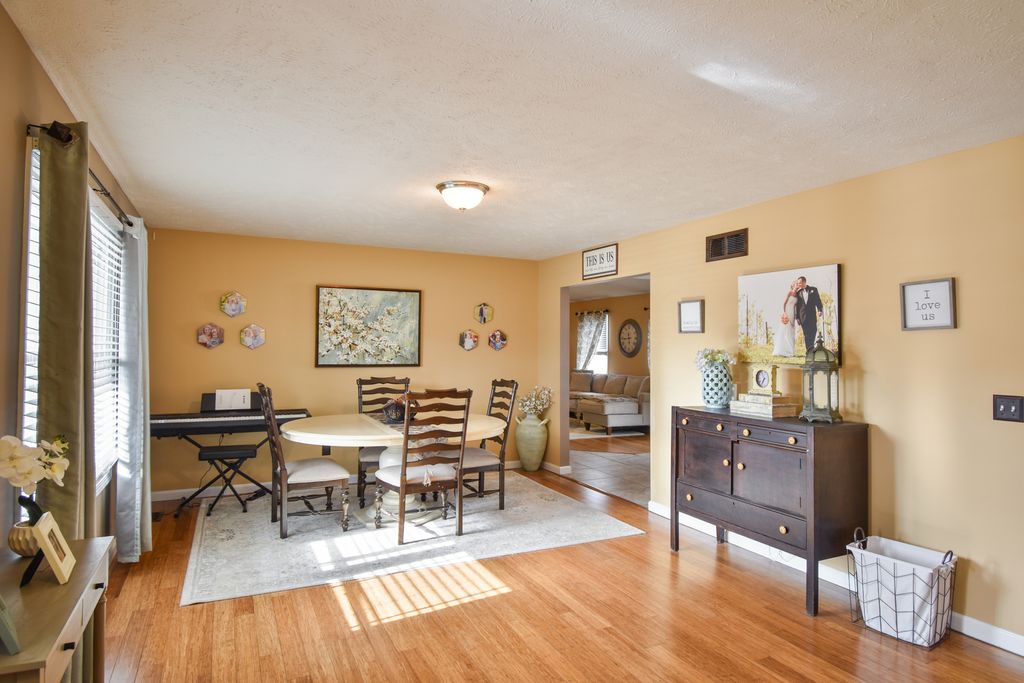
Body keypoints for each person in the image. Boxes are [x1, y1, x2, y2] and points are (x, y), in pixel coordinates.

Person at [792, 276, 823, 351]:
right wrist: (797, 317)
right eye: (798, 283)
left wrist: (820, 310)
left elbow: (818, 300)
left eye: (800, 283)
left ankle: (811, 347)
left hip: (812, 315)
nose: (798, 284)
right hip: (802, 316)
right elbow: (796, 306)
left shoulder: (813, 290)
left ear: (804, 282)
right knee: (806, 334)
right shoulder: (798, 293)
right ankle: (809, 350)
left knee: (813, 330)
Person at [772, 280, 798, 357]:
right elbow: (784, 303)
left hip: (792, 314)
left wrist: (795, 315)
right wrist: (784, 313)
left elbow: (795, 306)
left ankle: (791, 350)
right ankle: (782, 350)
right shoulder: (790, 293)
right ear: (793, 285)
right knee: (784, 331)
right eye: (796, 284)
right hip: (787, 313)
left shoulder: (797, 295)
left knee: (791, 331)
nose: (797, 285)